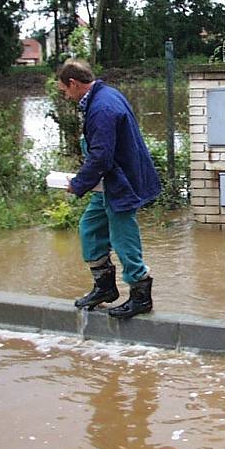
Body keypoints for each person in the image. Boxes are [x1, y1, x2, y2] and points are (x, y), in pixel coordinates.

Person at [58, 59, 161, 319]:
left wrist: (78, 183)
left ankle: (140, 296)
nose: (66, 96)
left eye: (65, 91)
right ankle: (105, 288)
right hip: (108, 180)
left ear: (74, 83)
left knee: (123, 238)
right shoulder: (104, 96)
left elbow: (101, 156)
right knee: (90, 228)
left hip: (119, 182)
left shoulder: (102, 107)